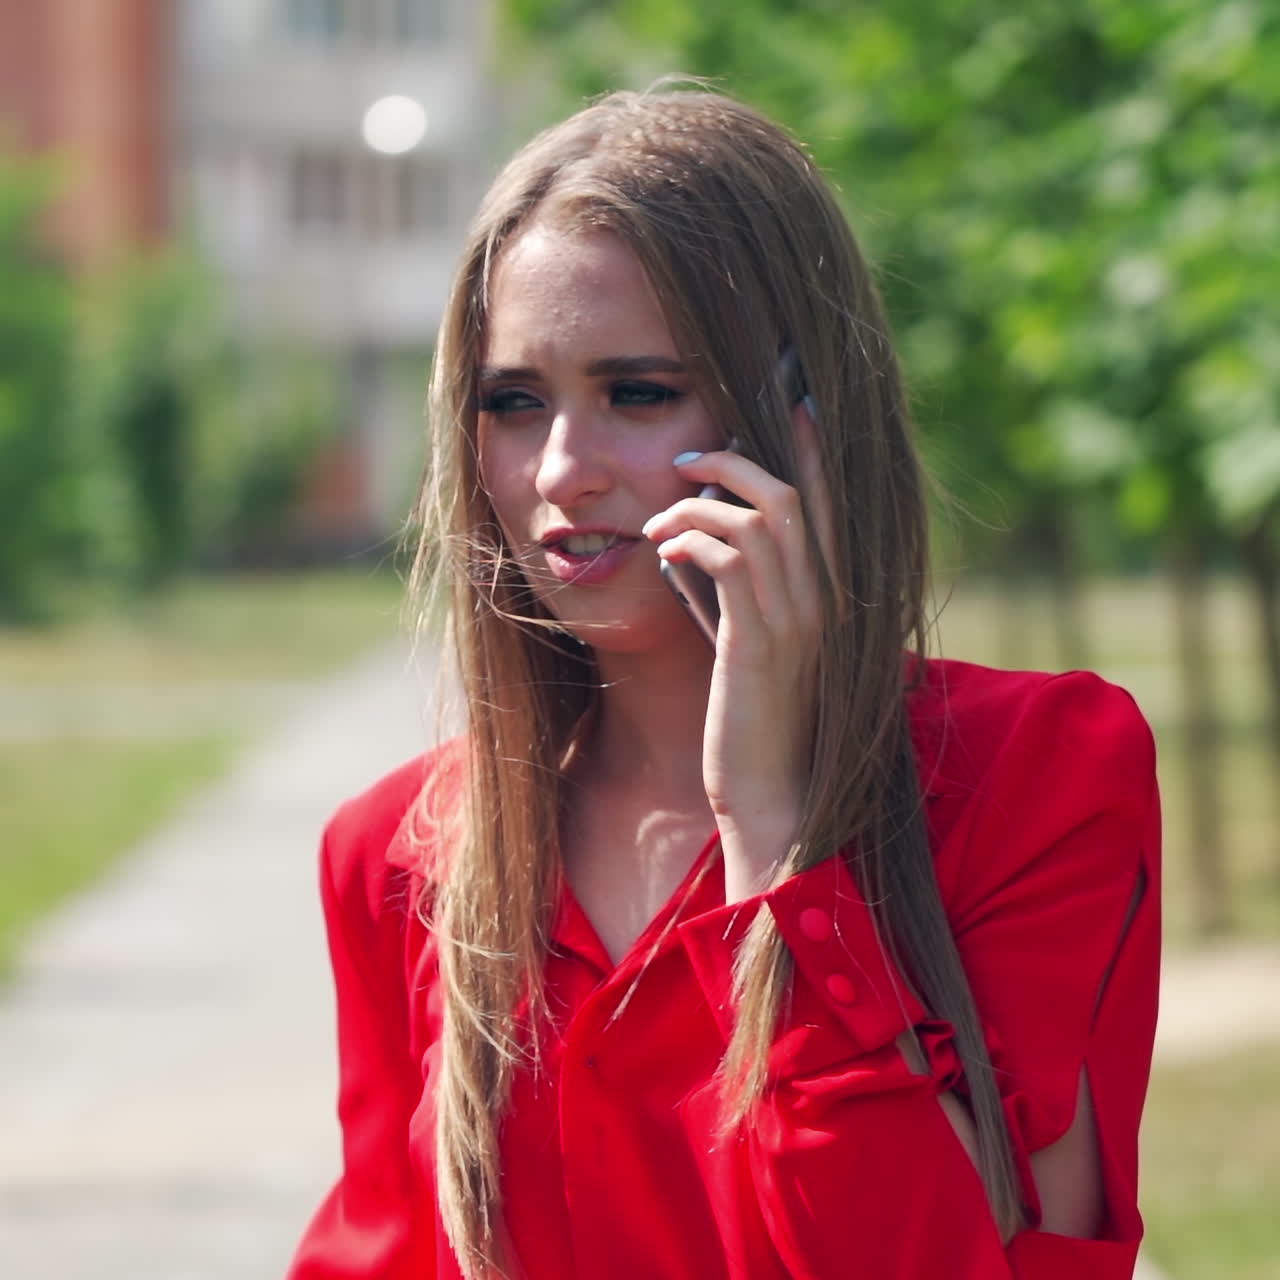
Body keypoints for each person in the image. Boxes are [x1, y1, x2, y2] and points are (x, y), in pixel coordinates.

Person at [287, 87, 1160, 1280]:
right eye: (512, 402)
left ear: (801, 419)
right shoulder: (396, 857)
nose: (561, 470)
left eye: (636, 392)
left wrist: (775, 829)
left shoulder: (1037, 777)